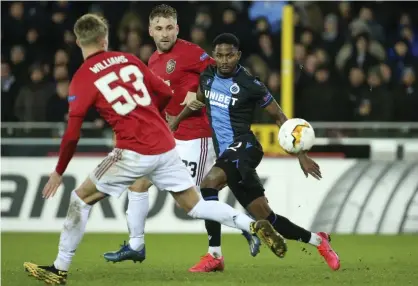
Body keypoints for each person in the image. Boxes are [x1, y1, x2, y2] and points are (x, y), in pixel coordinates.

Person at [22, 15, 287, 285]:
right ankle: (251, 225)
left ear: (78, 41)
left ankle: (59, 268)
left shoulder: (82, 77)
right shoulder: (129, 60)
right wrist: (153, 116)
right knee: (195, 205)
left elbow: (72, 134)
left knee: (81, 199)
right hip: (165, 144)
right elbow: (163, 92)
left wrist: (58, 171)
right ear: (105, 39)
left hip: (133, 149)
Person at [103, 4, 260, 272]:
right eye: (159, 28)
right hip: (168, 138)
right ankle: (136, 245)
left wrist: (201, 93)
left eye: (169, 28)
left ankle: (246, 228)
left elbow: (221, 73)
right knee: (139, 184)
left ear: (177, 28)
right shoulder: (153, 60)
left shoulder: (189, 52)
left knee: (195, 202)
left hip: (195, 137)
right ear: (151, 31)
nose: (165, 34)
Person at [171, 33, 341, 271]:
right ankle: (319, 240)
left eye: (230, 55)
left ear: (238, 55)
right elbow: (198, 101)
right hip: (227, 156)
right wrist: (175, 122)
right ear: (214, 57)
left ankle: (215, 255)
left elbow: (280, 117)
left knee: (208, 184)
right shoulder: (207, 77)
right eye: (219, 55)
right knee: (267, 218)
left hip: (246, 146)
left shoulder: (250, 84)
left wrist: (301, 154)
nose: (224, 60)